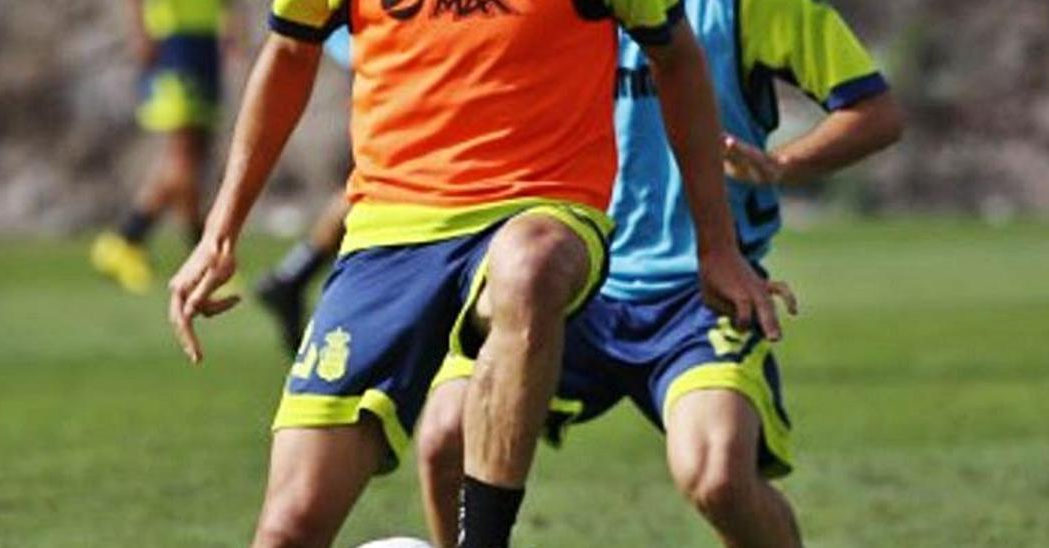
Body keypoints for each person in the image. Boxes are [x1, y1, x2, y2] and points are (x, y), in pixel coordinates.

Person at [165, 1, 782, 547]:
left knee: (529, 267)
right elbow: (290, 52)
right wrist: (220, 232)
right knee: (288, 528)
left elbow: (675, 59)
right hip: (387, 238)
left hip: (542, 207)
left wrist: (717, 247)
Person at [412, 0, 905, 546]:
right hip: (563, 283)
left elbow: (876, 113)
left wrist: (783, 165)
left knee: (716, 476)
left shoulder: (749, 9)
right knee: (443, 440)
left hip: (696, 298)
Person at [91, 0, 235, 294]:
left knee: (193, 159)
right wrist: (140, 30)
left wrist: (229, 24)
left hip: (205, 38)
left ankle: (128, 241)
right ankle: (199, 258)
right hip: (173, 38)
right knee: (183, 156)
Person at [256, 28, 354, 355]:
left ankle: (293, 276)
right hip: (385, 39)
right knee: (384, 178)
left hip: (384, 39)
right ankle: (293, 277)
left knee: (379, 180)